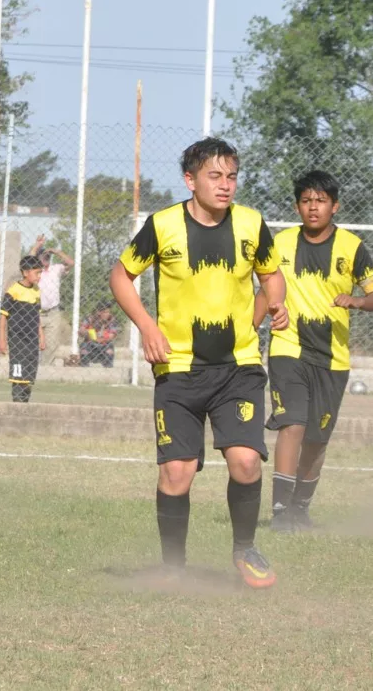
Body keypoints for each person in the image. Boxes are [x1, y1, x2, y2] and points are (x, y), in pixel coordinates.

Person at [109, 137, 288, 589]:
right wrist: (148, 327)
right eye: (215, 176)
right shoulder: (163, 225)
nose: (225, 185)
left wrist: (275, 305)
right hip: (178, 368)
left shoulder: (251, 223)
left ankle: (245, 551)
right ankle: (173, 568)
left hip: (239, 367)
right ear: (191, 180)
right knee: (177, 472)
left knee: (247, 461)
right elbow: (120, 275)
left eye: (231, 176)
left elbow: (271, 276)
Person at [257, 170, 373, 534]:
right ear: (298, 206)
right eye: (306, 201)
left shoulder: (352, 247)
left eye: (320, 201)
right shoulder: (280, 243)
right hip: (288, 348)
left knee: (316, 440)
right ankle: (281, 512)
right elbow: (265, 290)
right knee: (292, 424)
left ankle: (301, 509)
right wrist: (250, 330)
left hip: (332, 358)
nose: (313, 208)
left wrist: (359, 301)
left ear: (335, 206)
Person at [0, 255, 45, 402]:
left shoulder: (36, 291)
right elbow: (3, 317)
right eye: (36, 273)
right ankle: (16, 406)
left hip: (32, 340)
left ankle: (25, 404)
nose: (39, 276)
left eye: (40, 273)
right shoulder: (13, 291)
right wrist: (2, 340)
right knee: (18, 378)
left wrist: (41, 336)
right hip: (18, 340)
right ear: (25, 273)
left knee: (29, 378)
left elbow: (37, 317)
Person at [30, 235, 74, 365]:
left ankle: (45, 368)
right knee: (33, 341)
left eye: (48, 256)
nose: (46, 257)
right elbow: (29, 258)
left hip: (53, 312)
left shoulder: (56, 268)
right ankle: (32, 365)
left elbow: (71, 263)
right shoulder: (35, 271)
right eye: (43, 256)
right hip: (36, 311)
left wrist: (55, 251)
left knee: (52, 343)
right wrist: (37, 246)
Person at [78, 303, 121, 367]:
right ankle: (84, 364)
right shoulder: (90, 318)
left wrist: (101, 337)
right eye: (104, 312)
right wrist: (88, 333)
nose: (107, 314)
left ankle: (107, 365)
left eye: (108, 312)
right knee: (84, 346)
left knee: (109, 347)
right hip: (90, 344)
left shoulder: (112, 320)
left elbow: (111, 336)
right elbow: (81, 330)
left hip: (104, 344)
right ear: (98, 312)